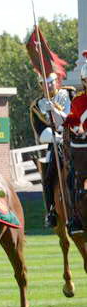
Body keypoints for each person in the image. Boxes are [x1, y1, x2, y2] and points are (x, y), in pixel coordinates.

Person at [29, 70, 74, 228]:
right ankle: (51, 211)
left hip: (76, 139)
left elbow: (74, 116)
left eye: (51, 82)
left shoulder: (70, 94)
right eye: (45, 83)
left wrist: (56, 110)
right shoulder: (37, 106)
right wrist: (57, 138)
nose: (48, 85)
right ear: (41, 85)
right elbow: (41, 132)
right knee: (48, 178)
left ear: (57, 81)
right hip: (56, 143)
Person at [63, 51, 87, 234]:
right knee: (71, 179)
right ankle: (76, 218)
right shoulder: (78, 101)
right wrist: (62, 119)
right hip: (83, 151)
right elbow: (73, 121)